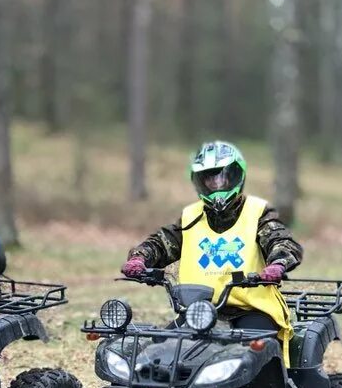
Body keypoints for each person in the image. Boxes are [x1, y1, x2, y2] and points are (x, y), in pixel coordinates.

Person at [120, 140, 301, 358]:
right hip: (199, 313)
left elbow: (279, 240)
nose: (216, 185)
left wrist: (278, 263)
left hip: (251, 310)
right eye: (209, 179)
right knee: (158, 355)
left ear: (237, 176)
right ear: (199, 182)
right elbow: (161, 242)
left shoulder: (258, 213)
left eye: (222, 177)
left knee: (254, 356)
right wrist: (140, 258)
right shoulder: (191, 217)